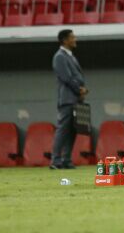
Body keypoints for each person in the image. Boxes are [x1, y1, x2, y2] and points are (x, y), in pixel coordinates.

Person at [50, 29, 87, 170]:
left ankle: (66, 159)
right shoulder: (59, 56)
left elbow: (76, 76)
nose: (75, 39)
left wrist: (81, 90)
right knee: (63, 129)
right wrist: (79, 89)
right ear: (64, 40)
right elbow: (66, 77)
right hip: (67, 99)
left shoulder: (70, 56)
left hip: (76, 99)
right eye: (72, 37)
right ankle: (55, 160)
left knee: (73, 130)